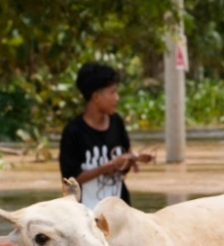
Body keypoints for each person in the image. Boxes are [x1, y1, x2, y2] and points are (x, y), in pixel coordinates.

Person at [59, 62, 153, 209]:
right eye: (112, 92)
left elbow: (122, 165)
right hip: (87, 214)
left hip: (119, 209)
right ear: (96, 97)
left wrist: (133, 159)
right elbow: (71, 180)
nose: (117, 98)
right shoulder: (73, 132)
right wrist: (108, 166)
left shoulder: (117, 123)